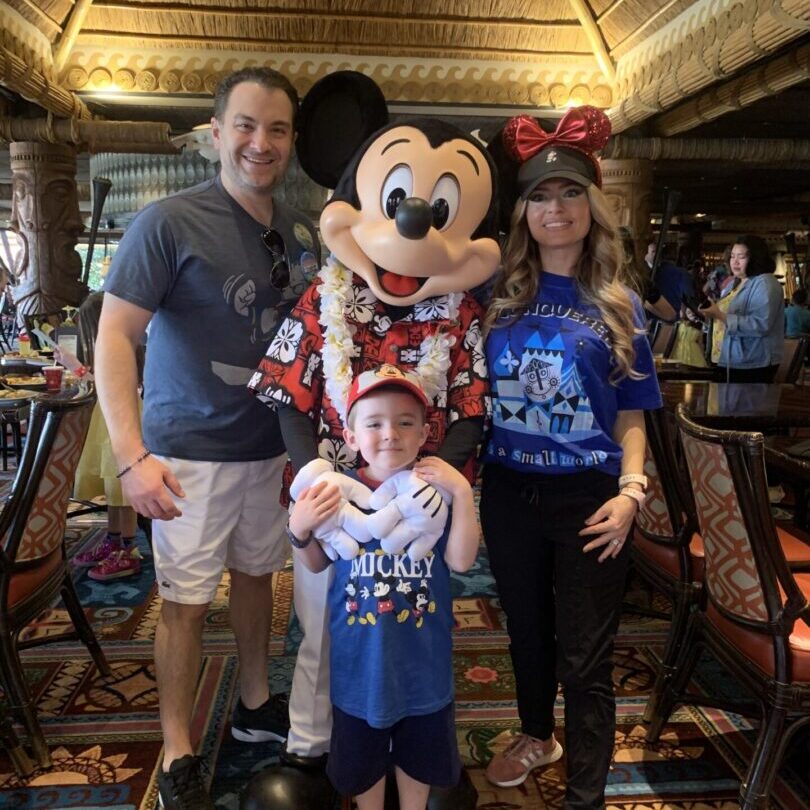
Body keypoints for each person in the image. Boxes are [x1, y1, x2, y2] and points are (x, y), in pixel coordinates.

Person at [247, 71, 498, 809]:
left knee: (418, 627)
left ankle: (420, 754)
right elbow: (290, 393)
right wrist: (311, 482)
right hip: (337, 494)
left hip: (423, 498)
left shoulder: (459, 314)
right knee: (325, 627)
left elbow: (474, 404)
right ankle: (315, 749)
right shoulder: (324, 296)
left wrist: (433, 478)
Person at [95, 67, 320, 809]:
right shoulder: (168, 222)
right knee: (185, 604)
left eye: (278, 129)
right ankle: (178, 746)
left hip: (271, 450)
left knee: (260, 577)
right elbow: (115, 338)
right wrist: (131, 458)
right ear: (216, 134)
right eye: (247, 126)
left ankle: (255, 702)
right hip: (186, 453)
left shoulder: (298, 230)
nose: (262, 143)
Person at [480, 108, 662, 806]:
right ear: (522, 210)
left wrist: (631, 493)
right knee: (528, 634)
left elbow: (634, 416)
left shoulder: (619, 304)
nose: (556, 209)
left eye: (570, 193)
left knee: (586, 660)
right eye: (540, 196)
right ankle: (535, 733)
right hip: (508, 495)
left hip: (591, 499)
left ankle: (586, 796)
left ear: (593, 205)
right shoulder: (494, 291)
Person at [287, 365, 478, 810]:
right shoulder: (339, 495)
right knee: (362, 763)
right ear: (351, 437)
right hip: (358, 669)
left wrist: (463, 492)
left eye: (404, 422)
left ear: (425, 433)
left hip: (423, 668)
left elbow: (462, 559)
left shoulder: (437, 494)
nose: (390, 434)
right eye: (374, 423)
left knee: (420, 758)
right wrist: (299, 528)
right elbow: (315, 563)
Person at [59, 292, 143, 580]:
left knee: (122, 487)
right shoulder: (110, 344)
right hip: (106, 420)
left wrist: (78, 368)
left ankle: (129, 548)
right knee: (111, 487)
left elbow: (118, 383)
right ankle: (113, 538)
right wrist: (78, 368)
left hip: (124, 418)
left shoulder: (128, 346)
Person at [699, 235, 784, 383]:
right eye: (732, 256)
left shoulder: (765, 283)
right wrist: (706, 315)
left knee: (745, 406)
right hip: (728, 358)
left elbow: (761, 325)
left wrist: (719, 315)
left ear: (755, 258)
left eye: (741, 257)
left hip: (752, 361)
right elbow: (722, 319)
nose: (735, 262)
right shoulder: (735, 283)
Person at [617, 227, 676, 323]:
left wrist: (644, 307)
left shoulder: (640, 282)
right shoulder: (639, 280)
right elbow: (670, 315)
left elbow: (670, 315)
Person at [644, 241, 693, 321]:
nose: (656, 254)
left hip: (659, 322)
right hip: (662, 321)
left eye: (658, 251)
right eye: (653, 252)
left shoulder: (675, 272)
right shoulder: (645, 274)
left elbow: (687, 298)